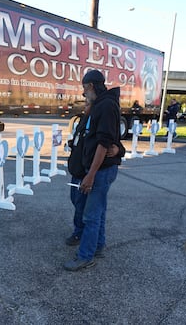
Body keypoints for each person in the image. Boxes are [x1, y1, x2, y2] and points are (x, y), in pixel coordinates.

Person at [64, 70, 123, 271]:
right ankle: (98, 246)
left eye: (83, 89)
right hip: (96, 169)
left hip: (100, 171)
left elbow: (103, 143)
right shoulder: (99, 106)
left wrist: (91, 175)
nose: (83, 94)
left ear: (89, 86)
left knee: (91, 214)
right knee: (98, 211)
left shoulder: (105, 106)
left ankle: (86, 256)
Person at [66, 100, 123, 246]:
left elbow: (110, 144)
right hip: (77, 169)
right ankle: (90, 239)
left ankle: (84, 238)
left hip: (85, 173)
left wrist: (118, 150)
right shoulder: (83, 121)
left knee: (88, 211)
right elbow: (81, 140)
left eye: (87, 104)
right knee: (77, 202)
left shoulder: (100, 121)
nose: (85, 107)